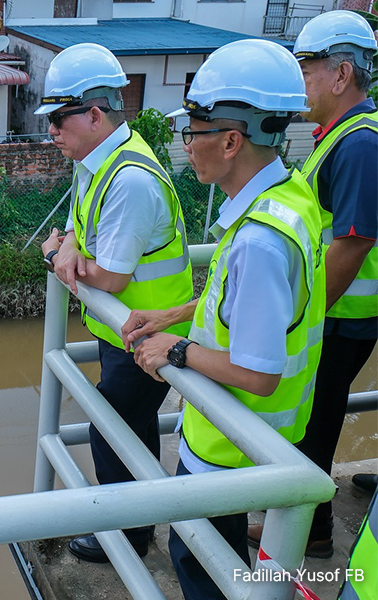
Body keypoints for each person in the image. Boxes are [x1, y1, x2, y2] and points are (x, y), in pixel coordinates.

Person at [122, 39, 325, 600]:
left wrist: (176, 350)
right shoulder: (289, 197)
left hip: (230, 444)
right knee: (224, 556)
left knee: (202, 561)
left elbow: (259, 372)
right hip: (262, 436)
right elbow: (253, 303)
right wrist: (177, 313)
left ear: (232, 141)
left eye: (194, 132)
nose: (187, 146)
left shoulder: (258, 240)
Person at [35, 42, 193, 563]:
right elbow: (80, 229)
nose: (51, 130)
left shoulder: (130, 180)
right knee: (132, 429)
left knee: (111, 432)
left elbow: (110, 277)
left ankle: (128, 537)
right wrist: (69, 246)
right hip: (121, 332)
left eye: (58, 119)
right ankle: (137, 524)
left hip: (145, 333)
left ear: (94, 114)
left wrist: (57, 256)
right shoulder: (96, 162)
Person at [247, 10, 378, 560]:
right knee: (313, 420)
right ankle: (306, 523)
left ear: (341, 73)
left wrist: (300, 319)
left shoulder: (359, 143)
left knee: (314, 425)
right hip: (335, 315)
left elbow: (352, 243)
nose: (299, 81)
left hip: (340, 319)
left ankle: (312, 531)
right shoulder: (341, 137)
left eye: (305, 69)